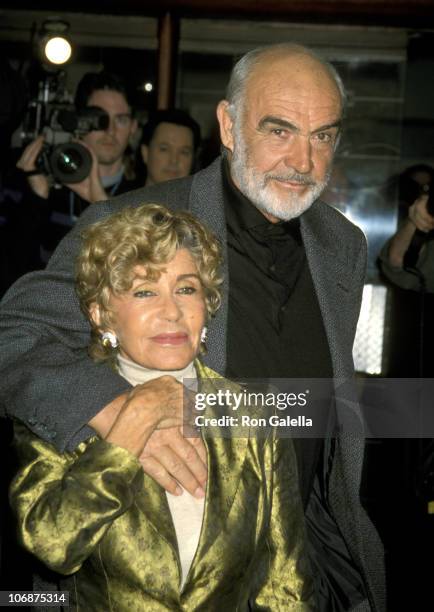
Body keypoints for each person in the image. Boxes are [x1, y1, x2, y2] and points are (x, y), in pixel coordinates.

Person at [0, 43, 385, 611]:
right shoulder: (135, 221)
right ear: (229, 126)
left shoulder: (341, 244)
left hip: (309, 553)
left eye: (322, 136)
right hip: (163, 571)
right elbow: (14, 334)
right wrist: (113, 410)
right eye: (280, 131)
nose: (304, 161)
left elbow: (320, 399)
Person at [9, 203, 313, 610]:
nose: (172, 311)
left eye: (186, 288)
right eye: (145, 291)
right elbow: (54, 545)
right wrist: (129, 429)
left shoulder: (255, 417)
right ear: (101, 315)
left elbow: (285, 586)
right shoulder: (64, 413)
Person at [15, 71, 141, 263]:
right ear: (78, 121)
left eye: (121, 120)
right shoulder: (47, 181)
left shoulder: (144, 194)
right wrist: (36, 198)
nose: (110, 130)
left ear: (133, 127)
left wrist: (101, 203)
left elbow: (138, 270)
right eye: (100, 119)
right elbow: (16, 267)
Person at [138, 108, 201, 186]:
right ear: (145, 153)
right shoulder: (123, 197)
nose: (174, 160)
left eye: (184, 152)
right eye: (164, 149)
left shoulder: (205, 197)